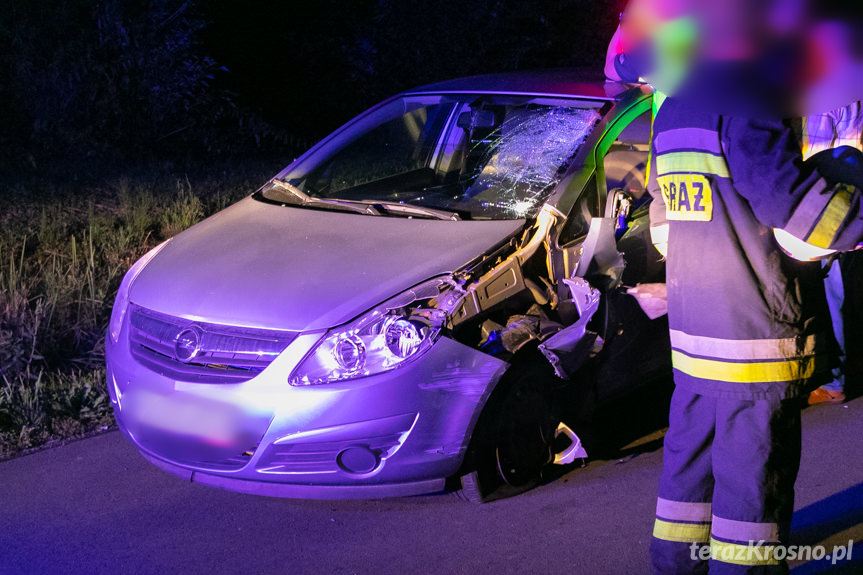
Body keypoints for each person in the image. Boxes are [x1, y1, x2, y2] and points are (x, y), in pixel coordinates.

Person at [793, 101, 863, 405]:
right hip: (854, 203)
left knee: (838, 298)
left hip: (836, 207)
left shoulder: (828, 95)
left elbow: (818, 156)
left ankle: (837, 382)